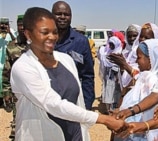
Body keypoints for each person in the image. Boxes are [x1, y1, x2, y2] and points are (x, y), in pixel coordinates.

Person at [10, 7, 127, 141]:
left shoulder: (66, 60)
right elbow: (52, 103)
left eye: (55, 32)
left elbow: (79, 99)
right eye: (45, 32)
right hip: (42, 135)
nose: (52, 37)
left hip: (74, 134)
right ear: (28, 34)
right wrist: (103, 119)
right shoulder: (23, 67)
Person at [113, 39, 158, 141]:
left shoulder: (153, 80)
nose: (136, 61)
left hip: (145, 131)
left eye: (139, 57)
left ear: (152, 59)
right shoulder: (144, 77)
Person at [52, 1, 95, 110]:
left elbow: (87, 76)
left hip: (73, 101)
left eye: (66, 14)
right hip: (48, 100)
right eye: (58, 14)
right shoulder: (44, 39)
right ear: (51, 15)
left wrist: (87, 105)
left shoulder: (81, 41)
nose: (62, 17)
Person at [108, 23, 158, 98]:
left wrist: (125, 65)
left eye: (146, 37)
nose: (142, 40)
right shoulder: (134, 51)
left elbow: (142, 77)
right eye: (141, 36)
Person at [1, 14, 28, 140]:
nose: (22, 27)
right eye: (19, 25)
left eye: (24, 25)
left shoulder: (36, 46)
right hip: (18, 94)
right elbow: (7, 72)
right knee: (18, 124)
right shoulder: (11, 47)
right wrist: (6, 93)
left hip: (35, 93)